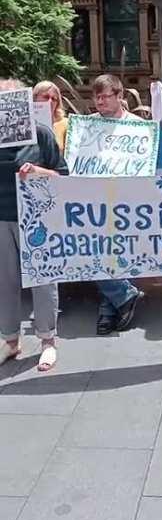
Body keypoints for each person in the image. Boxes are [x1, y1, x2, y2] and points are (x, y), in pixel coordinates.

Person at [0, 78, 68, 371]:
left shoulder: (41, 134)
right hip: (2, 218)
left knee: (43, 280)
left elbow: (63, 177)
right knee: (6, 282)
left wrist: (39, 170)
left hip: (37, 220)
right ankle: (10, 341)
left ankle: (47, 341)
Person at [91, 74, 144, 335]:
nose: (100, 101)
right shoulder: (86, 126)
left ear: (119, 96)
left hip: (127, 200)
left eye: (105, 96)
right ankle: (123, 296)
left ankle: (109, 305)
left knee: (121, 252)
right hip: (94, 201)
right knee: (89, 250)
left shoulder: (138, 126)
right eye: (97, 97)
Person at [33, 81, 69, 152]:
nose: (50, 102)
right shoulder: (25, 123)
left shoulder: (66, 124)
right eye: (46, 97)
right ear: (35, 98)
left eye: (54, 99)